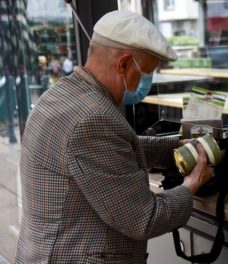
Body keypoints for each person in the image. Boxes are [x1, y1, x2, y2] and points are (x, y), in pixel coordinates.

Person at [15, 10, 213, 263]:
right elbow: (144, 219)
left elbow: (109, 150)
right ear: (123, 64)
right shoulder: (93, 118)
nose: (146, 82)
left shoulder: (60, 95)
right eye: (146, 72)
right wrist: (192, 184)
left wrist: (175, 147)